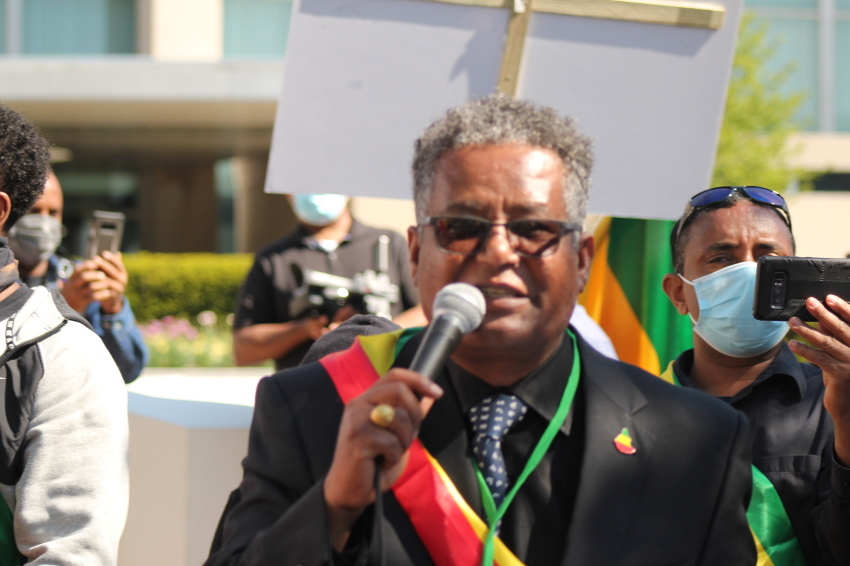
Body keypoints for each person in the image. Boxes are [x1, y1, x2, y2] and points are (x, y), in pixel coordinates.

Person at [207, 96, 755, 566]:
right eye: (462, 227)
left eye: (534, 228)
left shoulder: (697, 439)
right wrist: (333, 507)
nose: (497, 253)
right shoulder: (310, 409)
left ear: (582, 260)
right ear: (417, 253)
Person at [661, 186, 850, 566]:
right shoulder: (629, 413)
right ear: (679, 293)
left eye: (770, 258)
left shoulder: (835, 400)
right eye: (721, 258)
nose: (750, 273)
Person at [0, 104, 128, 564]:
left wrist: (107, 307)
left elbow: (70, 553)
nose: (46, 223)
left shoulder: (64, 356)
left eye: (54, 212)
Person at [233, 193, 425, 370]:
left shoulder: (390, 243)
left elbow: (429, 311)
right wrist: (305, 329)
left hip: (386, 391)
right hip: (306, 396)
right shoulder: (273, 258)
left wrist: (374, 335)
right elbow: (243, 349)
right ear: (288, 193)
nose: (314, 190)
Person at [8, 170, 148, 384]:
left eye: (53, 213)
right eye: (34, 211)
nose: (45, 223)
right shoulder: (5, 284)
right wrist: (63, 309)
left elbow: (128, 369)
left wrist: (112, 308)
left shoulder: (79, 280)